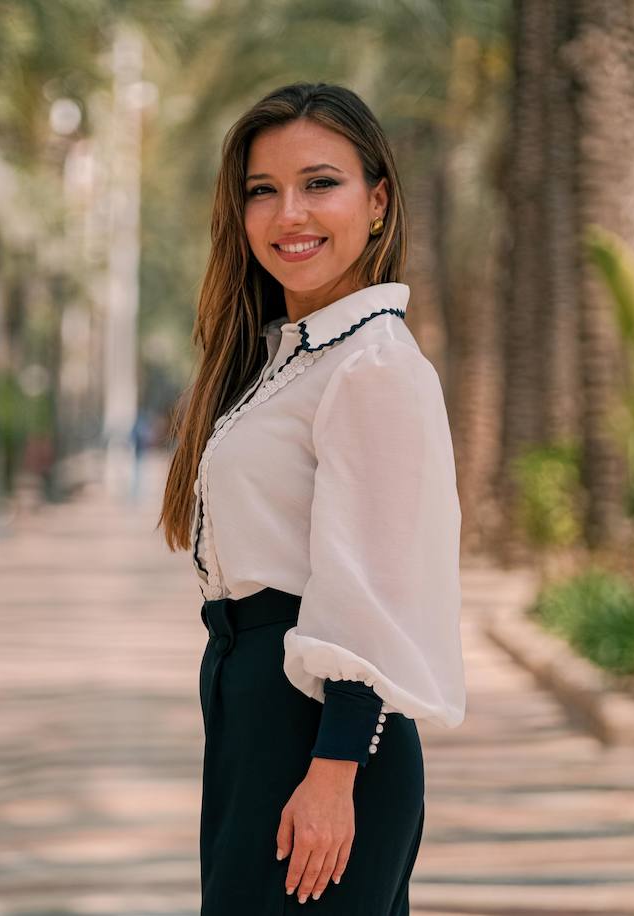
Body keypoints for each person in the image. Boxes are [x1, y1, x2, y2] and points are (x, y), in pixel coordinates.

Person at [157, 82, 465, 913]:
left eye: (319, 183)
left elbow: (374, 585)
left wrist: (333, 774)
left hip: (324, 732)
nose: (289, 213)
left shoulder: (374, 366)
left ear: (378, 200)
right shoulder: (288, 360)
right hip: (253, 708)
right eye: (264, 190)